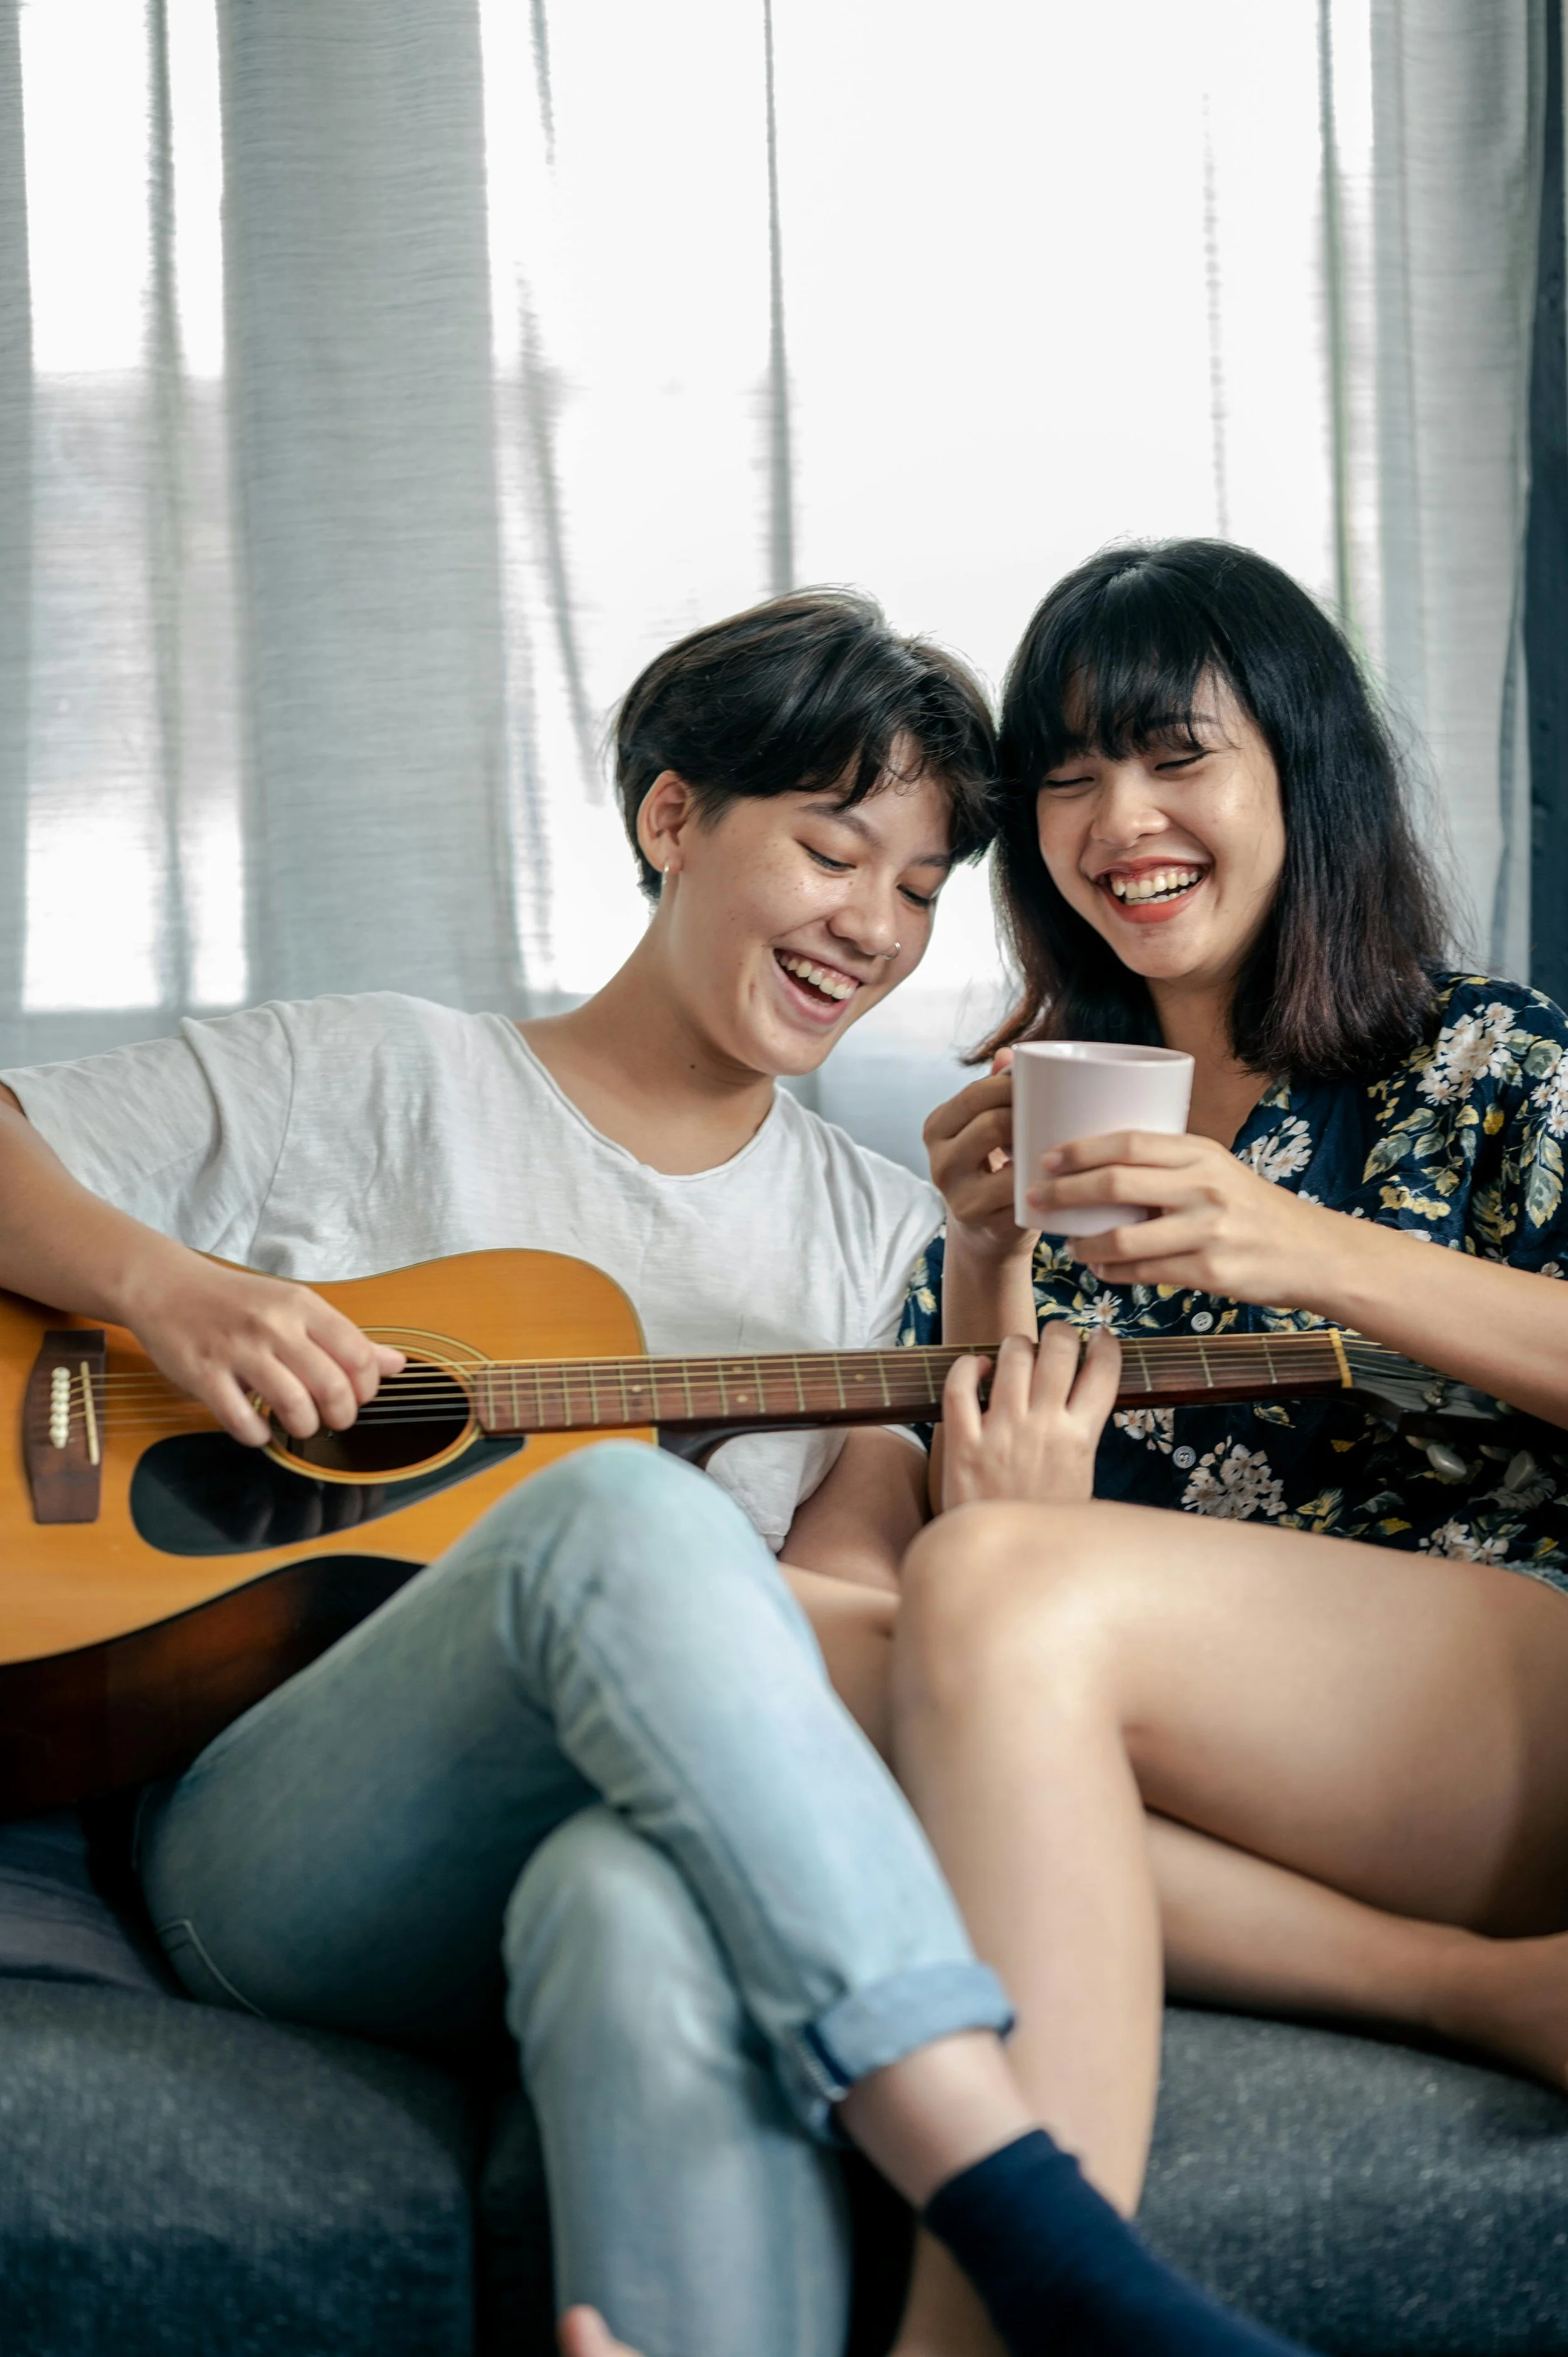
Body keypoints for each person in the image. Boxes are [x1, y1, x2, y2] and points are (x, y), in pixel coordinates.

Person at [0, 585, 1318, 2357]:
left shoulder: (883, 1243)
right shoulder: (378, 1074)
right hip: (280, 1841)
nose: (871, 927)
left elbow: (837, 1617)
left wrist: (1001, 1538)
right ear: (673, 816)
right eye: (832, 850)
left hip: (645, 1843)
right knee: (612, 1504)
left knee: (631, 1907)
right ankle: (1025, 2213)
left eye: (921, 893)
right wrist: (174, 1283)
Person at [891, 537, 1568, 2357]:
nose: (1118, 815)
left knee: (994, 1592)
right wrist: (975, 1265)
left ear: (1298, 768)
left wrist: (1308, 1249)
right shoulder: (1026, 1115)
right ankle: (1477, 1996)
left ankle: (998, 2329)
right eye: (1067, 773)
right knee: (776, 1643)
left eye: (1174, 753)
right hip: (1165, 1730)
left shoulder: (1474, 1062)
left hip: (1494, 1706)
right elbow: (921, 1524)